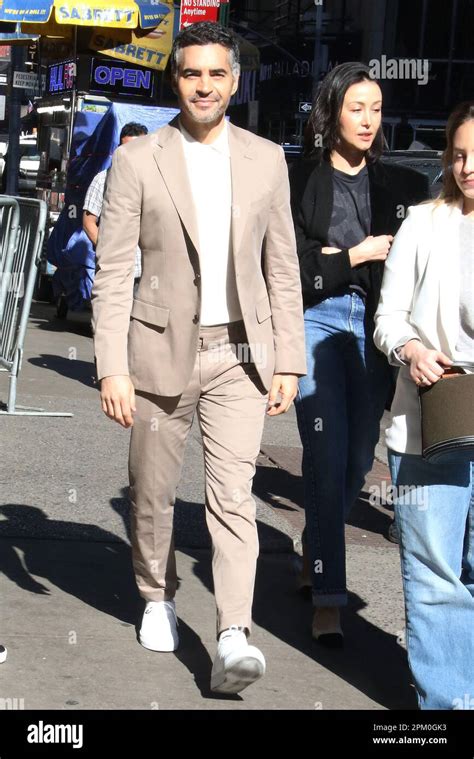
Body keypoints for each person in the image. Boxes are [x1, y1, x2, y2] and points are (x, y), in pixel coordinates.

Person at [91, 22, 306, 694]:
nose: (205, 85)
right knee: (152, 494)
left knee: (232, 498)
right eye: (192, 74)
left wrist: (288, 358)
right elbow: (114, 266)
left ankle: (233, 632)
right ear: (175, 79)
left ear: (235, 81)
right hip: (157, 353)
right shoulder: (138, 160)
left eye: (217, 73)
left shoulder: (267, 158)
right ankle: (157, 594)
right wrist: (110, 366)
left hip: (241, 353)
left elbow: (283, 267)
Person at [289, 62, 429, 646]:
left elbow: (414, 263)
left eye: (375, 108)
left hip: (374, 330)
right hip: (314, 321)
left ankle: (314, 551)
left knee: (354, 460)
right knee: (325, 454)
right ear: (331, 111)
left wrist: (334, 256)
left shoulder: (404, 187)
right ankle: (329, 598)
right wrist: (357, 254)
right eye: (356, 108)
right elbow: (294, 270)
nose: (368, 120)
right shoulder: (297, 178)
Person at [374, 101, 474, 709]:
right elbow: (388, 317)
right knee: (436, 576)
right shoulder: (424, 223)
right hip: (430, 418)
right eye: (459, 155)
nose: (467, 168)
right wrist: (410, 348)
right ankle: (450, 705)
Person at [83, 122, 148, 292]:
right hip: (114, 270)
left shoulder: (154, 182)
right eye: (125, 149)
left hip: (146, 271)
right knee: (110, 316)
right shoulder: (102, 180)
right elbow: (88, 222)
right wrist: (106, 249)